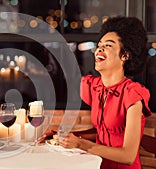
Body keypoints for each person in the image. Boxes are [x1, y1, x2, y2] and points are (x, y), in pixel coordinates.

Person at [38, 16, 152, 169]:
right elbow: (102, 132)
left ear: (125, 55)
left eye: (108, 45)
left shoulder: (133, 95)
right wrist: (62, 136)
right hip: (96, 165)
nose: (100, 49)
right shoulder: (94, 87)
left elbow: (128, 156)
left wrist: (79, 143)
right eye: (99, 45)